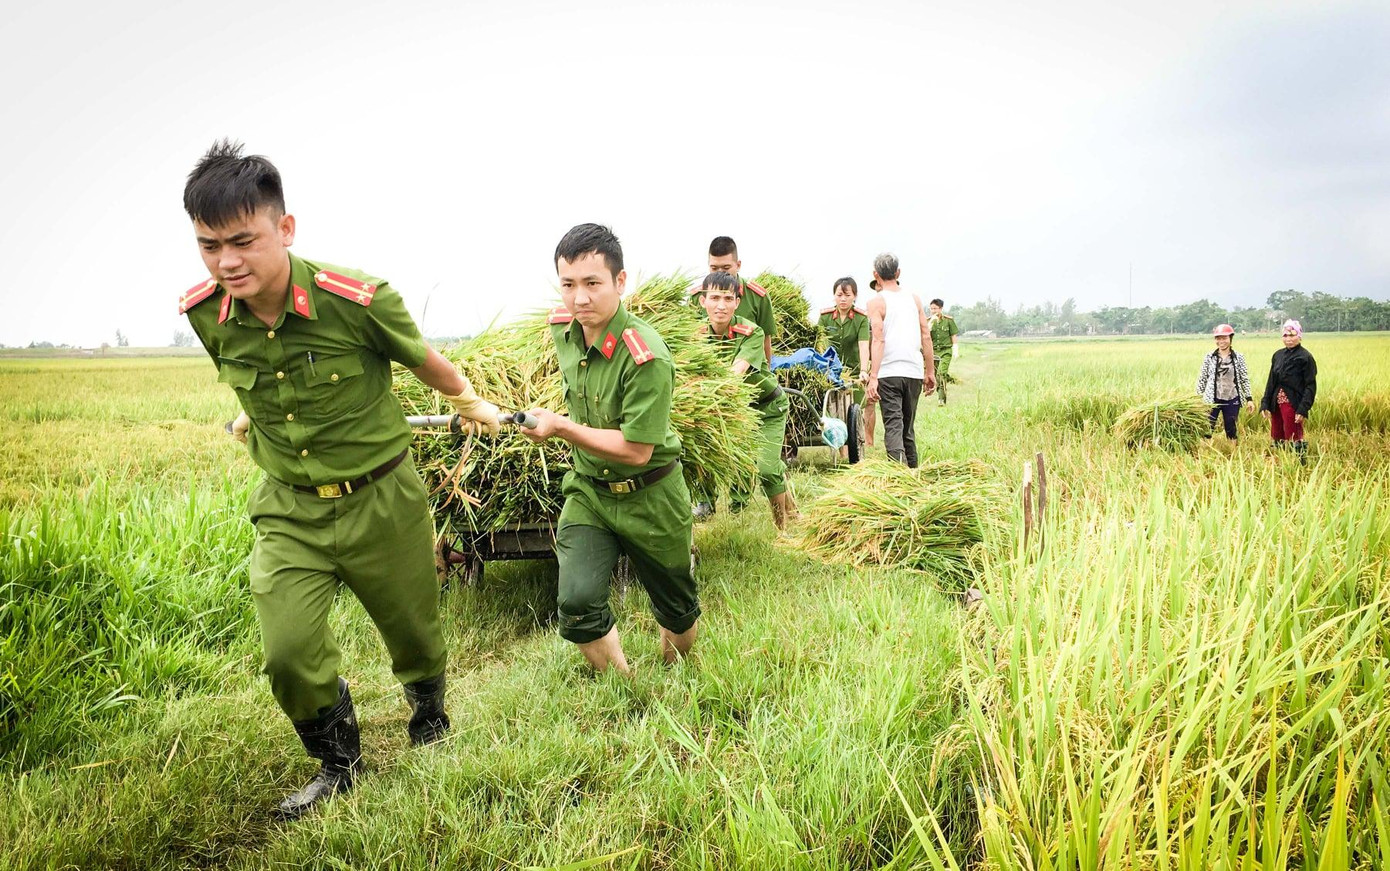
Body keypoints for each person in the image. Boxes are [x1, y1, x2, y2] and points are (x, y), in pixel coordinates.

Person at [179, 140, 503, 820]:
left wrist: (469, 401)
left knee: (413, 631)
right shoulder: (206, 313)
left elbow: (423, 361)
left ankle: (428, 715)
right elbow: (263, 372)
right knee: (288, 650)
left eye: (242, 241)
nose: (227, 262)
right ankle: (338, 761)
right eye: (209, 246)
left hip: (381, 497)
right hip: (290, 508)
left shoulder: (357, 300)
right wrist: (250, 411)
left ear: (285, 228)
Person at [522, 224, 699, 673]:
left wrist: (560, 427)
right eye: (568, 285)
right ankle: (624, 683)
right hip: (590, 492)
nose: (579, 299)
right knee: (577, 604)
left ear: (620, 283)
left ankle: (673, 673)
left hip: (651, 494)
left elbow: (638, 451)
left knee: (677, 611)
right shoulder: (564, 329)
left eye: (592, 284)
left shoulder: (646, 356)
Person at [700, 272, 797, 528]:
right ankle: (793, 511)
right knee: (764, 465)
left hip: (767, 407)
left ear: (737, 302)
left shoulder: (751, 331)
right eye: (715, 298)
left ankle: (782, 530)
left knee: (766, 470)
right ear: (703, 301)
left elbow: (737, 370)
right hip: (735, 411)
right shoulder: (695, 337)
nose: (721, 305)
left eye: (728, 299)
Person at [865, 253, 935, 467]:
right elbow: (925, 335)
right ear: (898, 273)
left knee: (894, 426)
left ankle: (900, 476)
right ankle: (913, 473)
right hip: (913, 372)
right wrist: (930, 372)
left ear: (876, 275)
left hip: (888, 374)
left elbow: (878, 339)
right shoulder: (914, 299)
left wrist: (873, 376)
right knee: (907, 428)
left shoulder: (876, 302)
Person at [817, 277, 874, 454]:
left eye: (847, 295)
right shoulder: (825, 317)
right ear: (834, 296)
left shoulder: (861, 318)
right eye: (839, 294)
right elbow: (819, 343)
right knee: (834, 407)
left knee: (855, 408)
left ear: (854, 296)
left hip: (854, 371)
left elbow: (863, 344)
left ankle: (859, 444)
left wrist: (864, 370)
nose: (843, 299)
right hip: (831, 371)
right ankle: (841, 450)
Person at [707, 236, 776, 366]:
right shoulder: (699, 296)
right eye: (714, 268)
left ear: (738, 265)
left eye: (726, 268)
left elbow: (765, 339)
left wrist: (767, 372)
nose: (720, 273)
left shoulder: (758, 297)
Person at [1259, 319, 1318, 464]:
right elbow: (1271, 380)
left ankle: (1299, 465)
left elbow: (1310, 385)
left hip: (1293, 402)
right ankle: (1280, 462)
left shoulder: (1305, 357)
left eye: (1292, 335)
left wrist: (1303, 409)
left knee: (1293, 434)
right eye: (1285, 335)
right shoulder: (1277, 355)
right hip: (1276, 402)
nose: (1289, 339)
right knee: (1277, 433)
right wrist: (1265, 403)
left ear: (1299, 336)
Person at [1194, 323, 1255, 441]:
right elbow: (1202, 378)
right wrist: (1197, 397)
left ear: (1230, 339)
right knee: (1207, 429)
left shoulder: (1238, 357)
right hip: (1212, 399)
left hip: (1232, 398)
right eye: (1218, 338)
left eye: (1224, 338)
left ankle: (1232, 454)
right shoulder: (1210, 357)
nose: (1221, 341)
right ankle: (1203, 454)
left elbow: (1244, 379)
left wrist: (1249, 399)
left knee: (1231, 429)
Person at [926, 298, 959, 405]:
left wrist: (955, 348)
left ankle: (941, 399)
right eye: (931, 308)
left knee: (941, 373)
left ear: (941, 308)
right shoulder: (928, 321)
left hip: (945, 351)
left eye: (935, 308)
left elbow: (953, 335)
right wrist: (930, 324)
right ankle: (940, 393)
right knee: (935, 375)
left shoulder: (948, 320)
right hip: (933, 352)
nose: (933, 311)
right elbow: (924, 336)